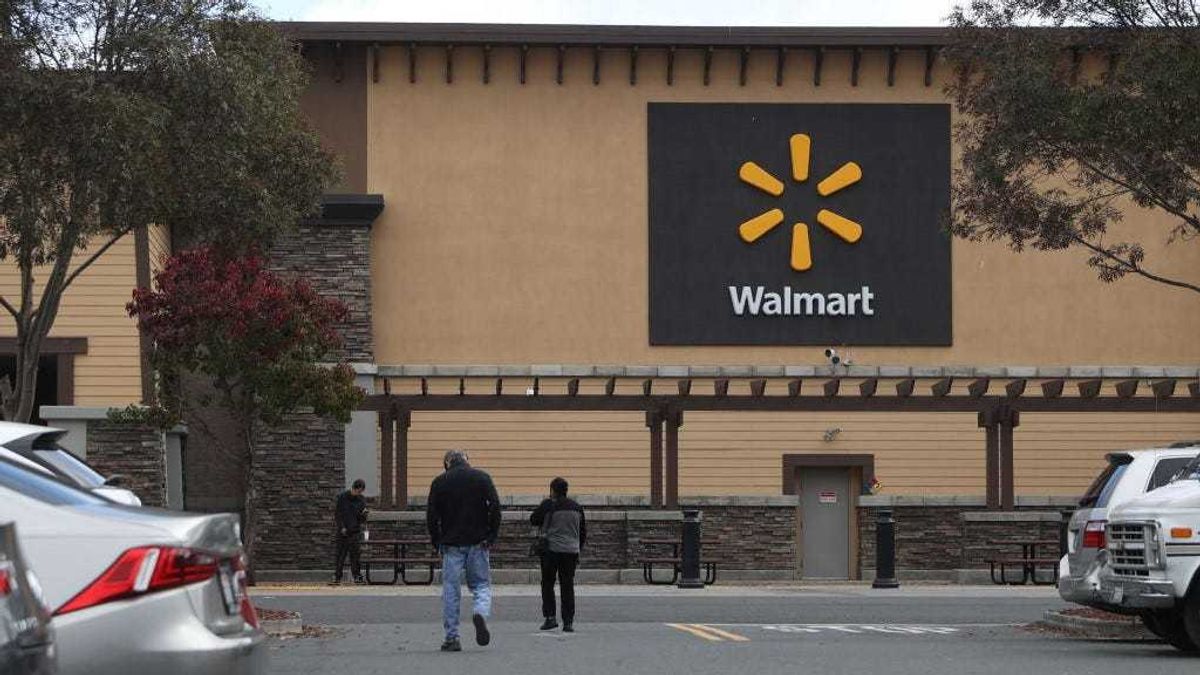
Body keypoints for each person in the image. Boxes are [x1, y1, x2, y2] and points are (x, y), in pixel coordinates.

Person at [426, 449, 501, 652]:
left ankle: (452, 637)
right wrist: (491, 535)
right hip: (478, 542)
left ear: (448, 463)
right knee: (482, 585)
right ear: (467, 460)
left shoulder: (439, 482)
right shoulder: (482, 478)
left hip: (451, 544)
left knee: (451, 590)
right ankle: (479, 612)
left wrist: (436, 540)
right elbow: (495, 507)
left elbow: (431, 516)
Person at [530, 477, 586, 632]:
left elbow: (533, 519)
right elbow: (583, 532)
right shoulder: (577, 507)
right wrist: (577, 548)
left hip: (551, 551)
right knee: (567, 585)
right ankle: (568, 622)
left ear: (553, 490)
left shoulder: (549, 505)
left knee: (548, 583)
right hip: (571, 551)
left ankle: (550, 617)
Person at [333, 478, 369, 585]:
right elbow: (338, 514)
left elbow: (361, 518)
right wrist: (342, 527)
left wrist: (364, 514)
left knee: (355, 556)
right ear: (354, 488)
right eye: (358, 491)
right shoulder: (343, 497)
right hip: (343, 532)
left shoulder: (361, 500)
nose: (359, 493)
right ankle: (337, 577)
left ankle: (357, 576)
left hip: (354, 531)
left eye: (361, 492)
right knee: (340, 556)